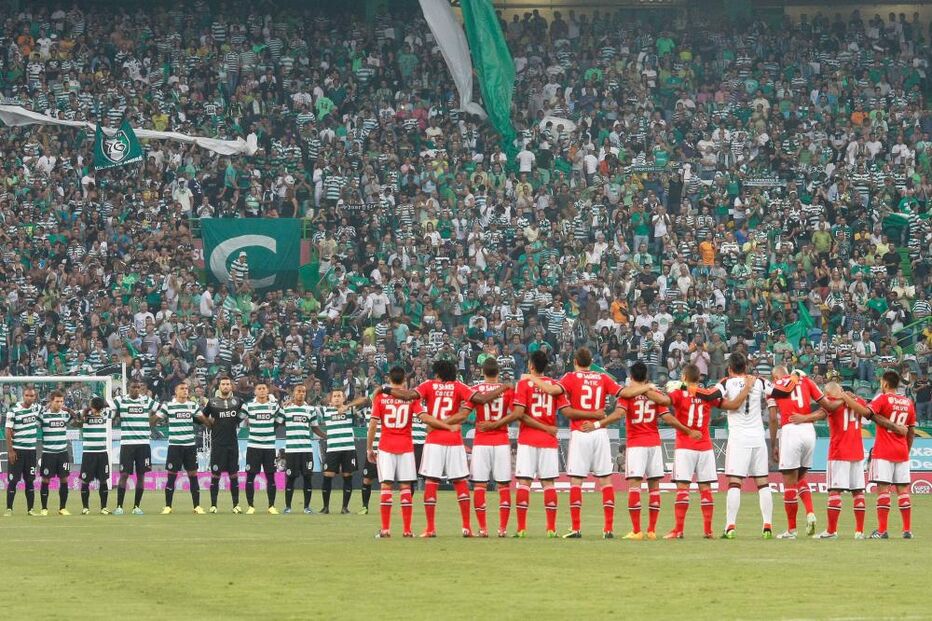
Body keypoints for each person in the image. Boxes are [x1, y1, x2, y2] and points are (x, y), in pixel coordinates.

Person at [382, 359, 505, 537]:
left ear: (437, 373)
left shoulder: (428, 385)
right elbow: (483, 399)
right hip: (454, 439)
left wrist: (385, 389)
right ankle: (467, 528)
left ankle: (430, 528)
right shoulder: (459, 386)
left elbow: (408, 396)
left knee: (431, 483)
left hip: (434, 440)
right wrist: (504, 387)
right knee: (460, 483)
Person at [525, 346, 627, 538]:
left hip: (580, 432)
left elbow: (553, 390)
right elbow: (622, 395)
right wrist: (601, 418)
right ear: (591, 363)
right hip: (599, 431)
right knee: (605, 480)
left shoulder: (571, 377)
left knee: (576, 481)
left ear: (574, 362)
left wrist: (531, 377)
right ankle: (608, 529)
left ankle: (576, 528)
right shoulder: (603, 378)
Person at [595, 361, 696, 540]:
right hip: (654, 444)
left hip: (636, 444)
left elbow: (618, 414)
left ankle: (636, 531)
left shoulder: (627, 395)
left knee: (635, 486)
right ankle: (651, 530)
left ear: (632, 377)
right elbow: (668, 417)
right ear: (646, 376)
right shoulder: (655, 394)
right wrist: (686, 430)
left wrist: (599, 423)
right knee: (654, 487)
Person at [665, 364, 754, 538]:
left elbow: (663, 404)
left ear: (683, 377)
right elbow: (734, 405)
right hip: (705, 447)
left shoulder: (677, 394)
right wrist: (747, 389)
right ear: (699, 379)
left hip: (685, 445)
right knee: (705, 489)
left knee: (683, 489)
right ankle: (708, 530)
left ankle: (679, 530)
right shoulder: (707, 396)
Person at [695, 353, 771, 539]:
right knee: (763, 483)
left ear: (729, 368)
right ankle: (767, 525)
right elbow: (779, 392)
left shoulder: (726, 383)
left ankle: (730, 526)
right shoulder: (759, 381)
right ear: (745, 367)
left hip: (739, 439)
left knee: (735, 483)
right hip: (758, 438)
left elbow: (711, 395)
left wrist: (688, 388)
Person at [837, 370, 916, 539]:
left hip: (884, 450)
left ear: (885, 383)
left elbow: (867, 413)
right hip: (902, 451)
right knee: (903, 491)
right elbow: (911, 431)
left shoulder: (882, 397)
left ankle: (882, 530)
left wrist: (845, 397)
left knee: (883, 490)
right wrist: (906, 451)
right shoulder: (908, 402)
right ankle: (907, 530)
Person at [790, 382, 869, 539]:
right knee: (858, 492)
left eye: (825, 393)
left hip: (839, 452)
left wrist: (803, 418)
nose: (824, 397)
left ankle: (831, 531)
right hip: (857, 452)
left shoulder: (831, 403)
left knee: (835, 492)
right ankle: (859, 531)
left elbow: (819, 414)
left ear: (830, 393)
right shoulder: (858, 400)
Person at [767, 367, 838, 539]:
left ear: (776, 375)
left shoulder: (774, 386)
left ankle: (791, 530)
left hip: (791, 429)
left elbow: (772, 418)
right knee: (801, 478)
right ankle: (810, 512)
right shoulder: (807, 381)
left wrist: (774, 444)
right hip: (808, 430)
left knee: (789, 483)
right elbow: (828, 407)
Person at [368, 366, 438, 538]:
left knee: (386, 487)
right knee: (406, 487)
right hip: (406, 446)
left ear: (389, 379)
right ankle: (407, 530)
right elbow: (423, 417)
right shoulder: (411, 398)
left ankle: (385, 529)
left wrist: (369, 448)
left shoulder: (381, 397)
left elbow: (373, 424)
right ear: (405, 380)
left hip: (386, 446)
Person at [510, 350, 569, 538]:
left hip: (528, 439)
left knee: (524, 483)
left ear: (531, 365)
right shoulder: (555, 385)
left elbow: (519, 414)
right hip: (548, 440)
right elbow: (565, 411)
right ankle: (551, 528)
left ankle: (521, 529)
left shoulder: (523, 384)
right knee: (548, 484)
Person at [468, 357, 517, 538]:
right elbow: (515, 414)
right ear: (498, 372)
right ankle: (502, 529)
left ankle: (483, 528)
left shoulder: (475, 390)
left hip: (481, 441)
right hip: (501, 440)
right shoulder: (507, 391)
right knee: (503, 486)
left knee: (480, 486)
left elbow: (465, 411)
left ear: (482, 372)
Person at [156, 382, 209, 514]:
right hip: (175, 445)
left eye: (186, 389)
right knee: (172, 475)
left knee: (193, 475)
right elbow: (156, 418)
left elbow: (203, 420)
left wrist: (213, 422)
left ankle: (197, 506)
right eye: (182, 389)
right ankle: (168, 506)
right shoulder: (168, 406)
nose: (185, 391)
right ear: (176, 391)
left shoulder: (193, 405)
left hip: (190, 446)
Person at [276, 384, 326, 514]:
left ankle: (306, 507)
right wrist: (281, 407)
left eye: (303, 391)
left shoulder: (310, 409)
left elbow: (314, 427)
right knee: (291, 478)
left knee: (307, 478)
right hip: (291, 450)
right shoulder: (287, 409)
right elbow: (278, 423)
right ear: (293, 393)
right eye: (298, 391)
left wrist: (326, 436)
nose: (301, 393)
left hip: (306, 450)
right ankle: (288, 507)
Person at [112, 380, 159, 516]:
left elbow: (161, 408)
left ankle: (136, 507)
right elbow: (106, 405)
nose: (136, 389)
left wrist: (153, 420)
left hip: (143, 444)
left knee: (141, 475)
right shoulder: (121, 400)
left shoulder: (146, 400)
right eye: (134, 387)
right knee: (124, 475)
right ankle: (119, 506)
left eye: (139, 387)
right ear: (128, 388)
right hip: (127, 444)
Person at [201, 376, 245, 513]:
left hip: (232, 444)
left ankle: (236, 505)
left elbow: (246, 412)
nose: (225, 386)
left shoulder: (238, 401)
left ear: (231, 387)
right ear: (219, 387)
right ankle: (213, 505)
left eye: (227, 384)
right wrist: (210, 425)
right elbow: (202, 416)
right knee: (215, 475)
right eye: (223, 384)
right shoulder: (212, 402)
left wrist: (237, 420)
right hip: (218, 444)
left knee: (233, 475)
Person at [241, 382, 280, 515]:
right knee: (250, 476)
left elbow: (279, 421)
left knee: (270, 476)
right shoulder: (248, 406)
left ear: (268, 391)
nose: (262, 390)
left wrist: (269, 430)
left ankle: (271, 506)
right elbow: (238, 418)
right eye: (259, 388)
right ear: (255, 392)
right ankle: (251, 506)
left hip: (269, 447)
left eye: (264, 388)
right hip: (253, 446)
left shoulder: (274, 406)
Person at [38, 391, 77, 516]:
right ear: (51, 401)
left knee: (64, 479)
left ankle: (62, 508)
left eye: (61, 401)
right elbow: (35, 424)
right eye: (57, 401)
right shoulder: (43, 415)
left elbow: (76, 418)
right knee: (45, 479)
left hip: (62, 453)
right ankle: (44, 508)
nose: (59, 404)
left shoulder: (65, 415)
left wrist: (69, 409)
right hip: (48, 453)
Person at [318, 388, 356, 514]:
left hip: (348, 449)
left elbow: (365, 400)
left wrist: (348, 406)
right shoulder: (325, 410)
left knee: (347, 477)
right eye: (334, 396)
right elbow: (310, 413)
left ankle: (345, 508)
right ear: (331, 399)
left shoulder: (350, 409)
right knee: (327, 476)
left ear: (344, 398)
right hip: (332, 449)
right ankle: (325, 507)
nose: (337, 398)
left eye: (339, 396)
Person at [4, 386, 40, 516]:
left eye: (32, 396)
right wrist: (11, 451)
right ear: (23, 396)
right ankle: (9, 509)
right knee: (13, 480)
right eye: (27, 395)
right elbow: (7, 431)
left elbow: (51, 407)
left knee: (30, 480)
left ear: (35, 397)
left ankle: (30, 509)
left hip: (31, 451)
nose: (29, 398)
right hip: (18, 450)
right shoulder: (13, 411)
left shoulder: (36, 408)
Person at [75, 396, 112, 515]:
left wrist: (103, 404)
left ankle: (104, 507)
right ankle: (85, 508)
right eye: (95, 409)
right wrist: (87, 410)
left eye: (98, 409)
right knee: (85, 481)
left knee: (103, 480)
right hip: (88, 453)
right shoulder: (85, 413)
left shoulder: (105, 413)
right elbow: (77, 419)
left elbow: (111, 409)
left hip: (102, 452)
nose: (96, 412)